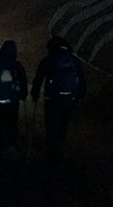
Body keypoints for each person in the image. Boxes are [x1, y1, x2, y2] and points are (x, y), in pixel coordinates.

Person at [31, 36, 86, 164]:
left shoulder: (48, 60)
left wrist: (35, 94)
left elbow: (38, 79)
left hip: (52, 99)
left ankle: (51, 152)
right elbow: (82, 80)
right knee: (63, 124)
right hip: (69, 99)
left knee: (51, 125)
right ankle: (61, 150)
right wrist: (78, 96)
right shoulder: (74, 60)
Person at [0, 40, 27, 159]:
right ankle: (11, 146)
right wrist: (23, 95)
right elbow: (23, 82)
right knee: (12, 123)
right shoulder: (17, 66)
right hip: (13, 100)